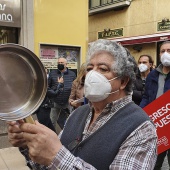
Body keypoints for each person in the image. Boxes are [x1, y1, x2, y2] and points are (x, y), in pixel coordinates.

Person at [7, 39, 157, 170]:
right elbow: (48, 163)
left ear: (123, 81)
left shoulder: (141, 129)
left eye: (102, 69)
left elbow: (56, 158)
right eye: (90, 68)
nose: (92, 75)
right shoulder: (78, 113)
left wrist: (56, 155)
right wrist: (29, 144)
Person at [140, 41, 170, 170]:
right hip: (157, 124)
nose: (165, 54)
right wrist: (140, 112)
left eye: (169, 51)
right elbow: (146, 96)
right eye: (163, 51)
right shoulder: (153, 75)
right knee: (155, 162)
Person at [48, 57, 76, 130]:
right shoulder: (52, 73)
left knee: (71, 120)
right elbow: (48, 86)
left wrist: (73, 99)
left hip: (68, 102)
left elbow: (75, 87)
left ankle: (68, 135)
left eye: (62, 63)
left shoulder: (72, 74)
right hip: (55, 101)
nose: (60, 64)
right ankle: (52, 136)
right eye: (58, 63)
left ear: (66, 64)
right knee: (52, 121)